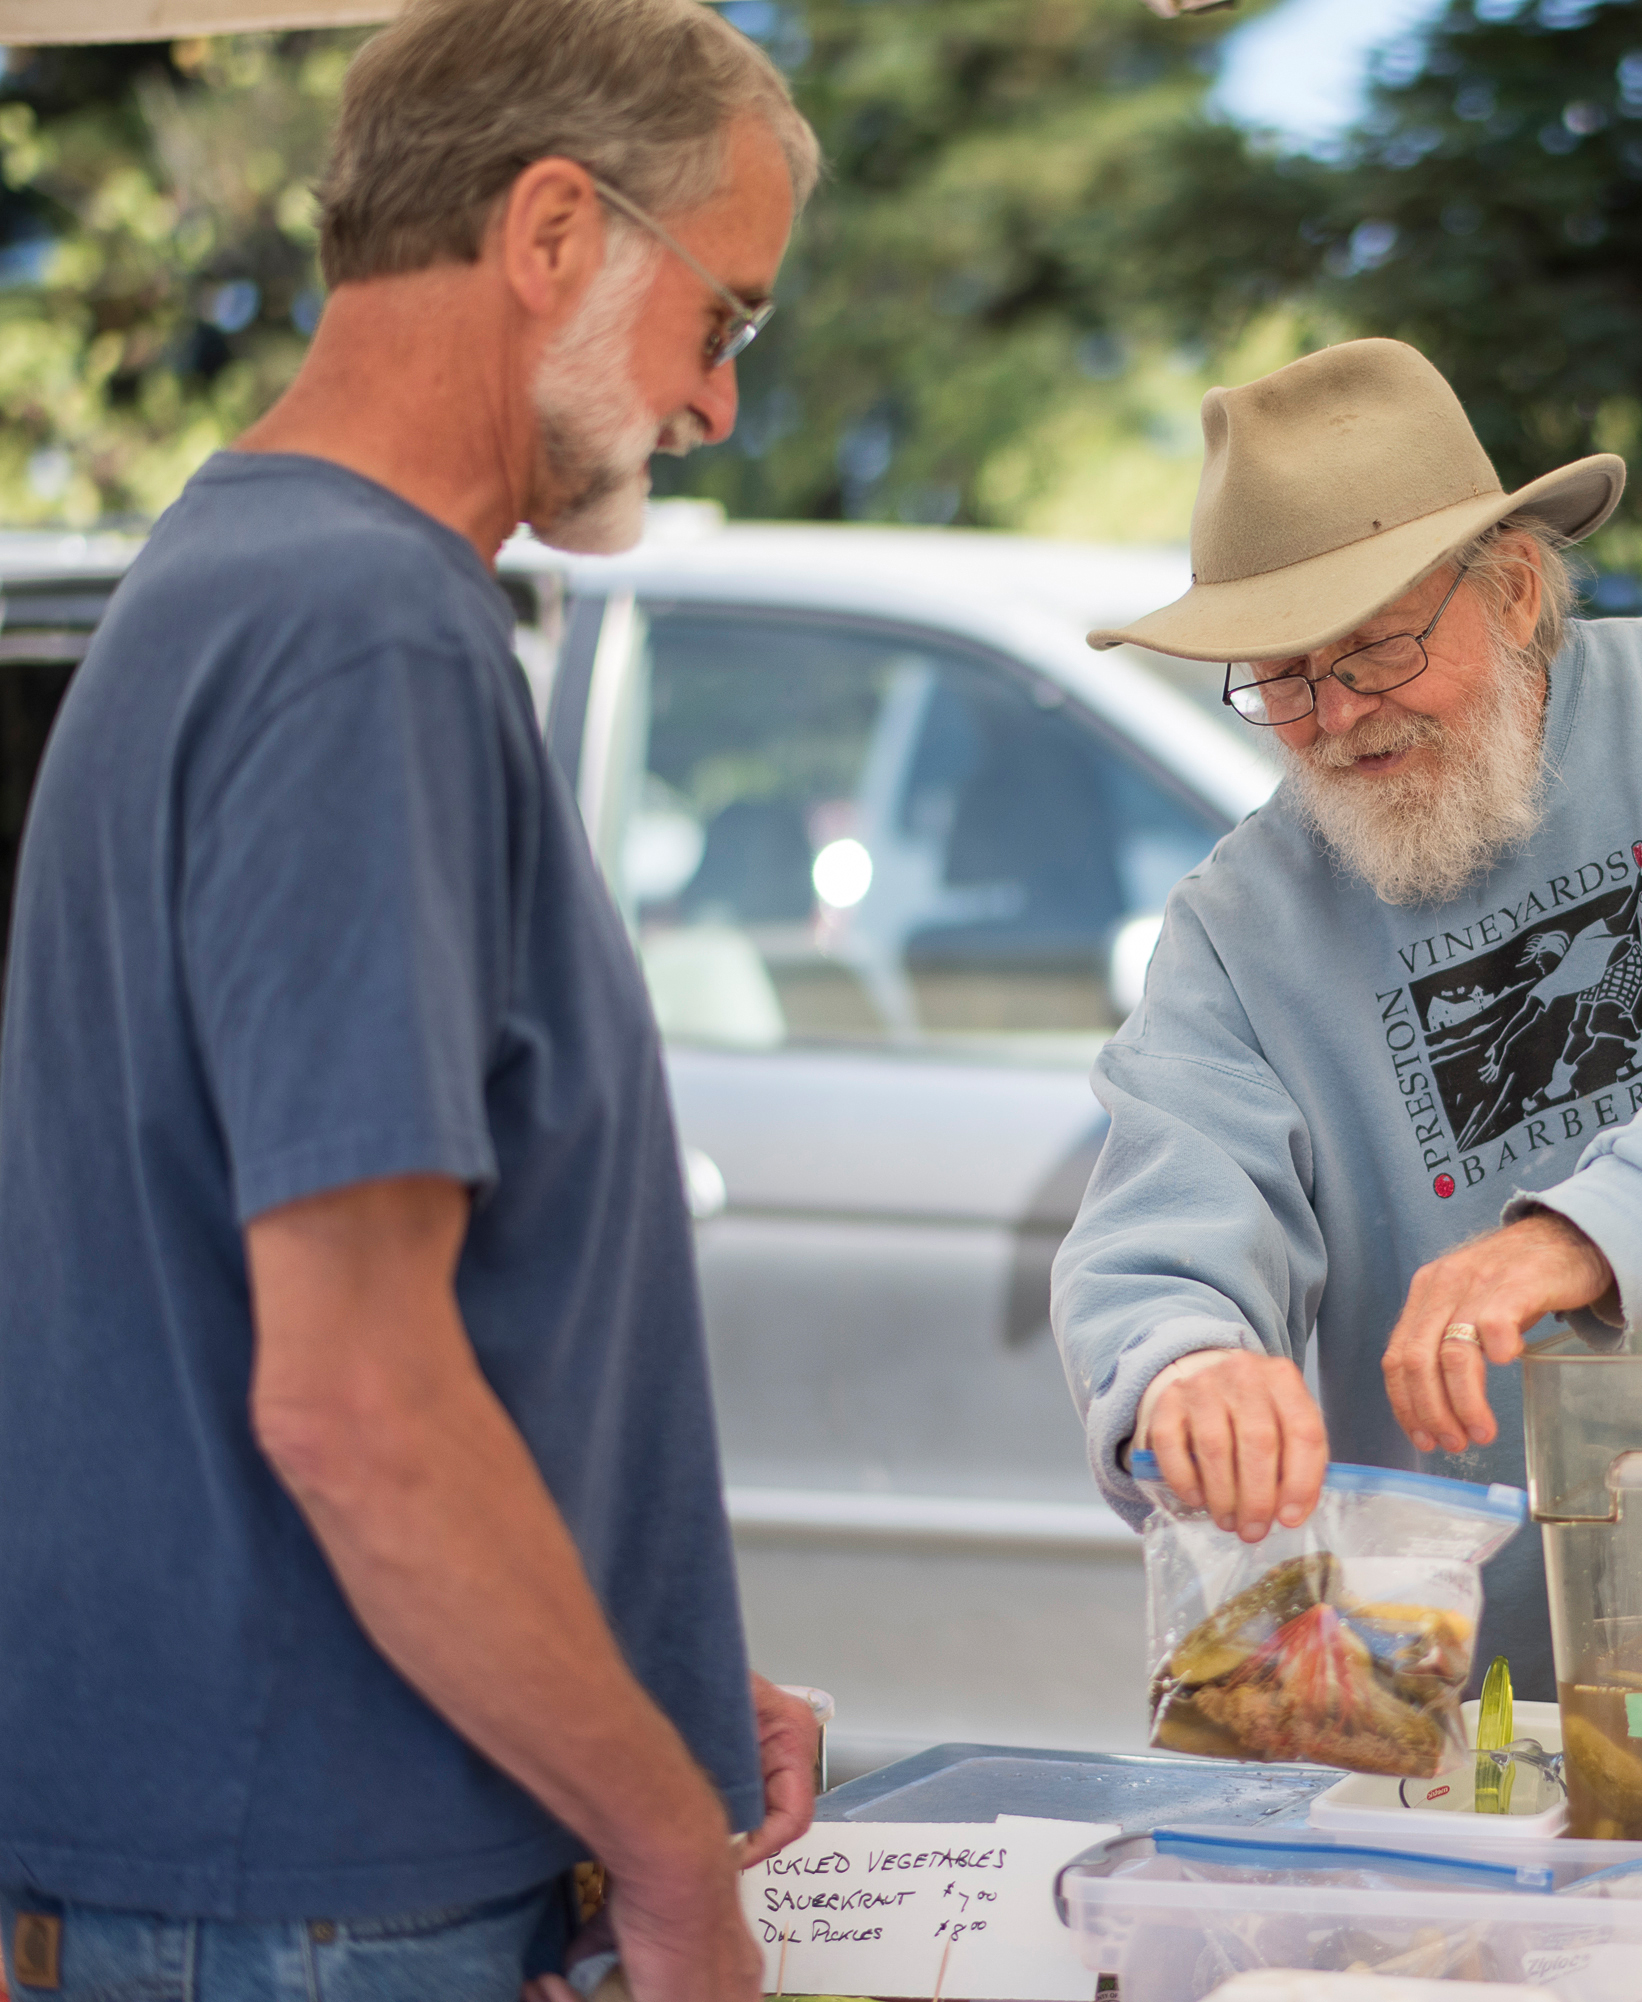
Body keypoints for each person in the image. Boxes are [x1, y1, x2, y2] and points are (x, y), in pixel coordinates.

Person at [0, 4, 822, 1998]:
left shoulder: (247, 580)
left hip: (288, 1853)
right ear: (553, 230)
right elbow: (353, 1400)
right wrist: (665, 1849)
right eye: (723, 319)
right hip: (319, 1891)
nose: (715, 403)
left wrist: (651, 1673)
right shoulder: (361, 633)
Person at [1053, 338, 1642, 1689]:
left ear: (1516, 585)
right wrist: (1186, 1368)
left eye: (1375, 648)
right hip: (1493, 1692)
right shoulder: (1238, 928)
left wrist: (1581, 1232)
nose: (1337, 716)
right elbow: (1164, 1217)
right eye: (1286, 678)